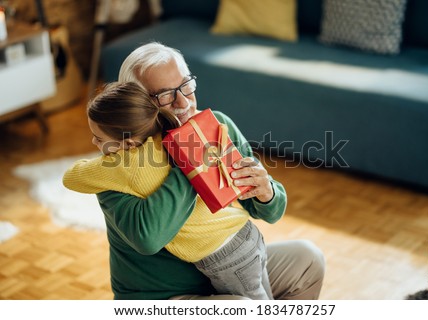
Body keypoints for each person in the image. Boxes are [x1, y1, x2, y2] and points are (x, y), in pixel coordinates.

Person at [85, 41, 324, 300]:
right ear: (138, 103)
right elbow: (147, 239)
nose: (183, 102)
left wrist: (267, 193)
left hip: (226, 272)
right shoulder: (117, 162)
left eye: (186, 86)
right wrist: (190, 160)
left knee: (307, 260)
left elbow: (269, 210)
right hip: (163, 296)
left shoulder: (218, 126)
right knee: (242, 307)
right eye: (165, 95)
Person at [63, 81, 274, 299]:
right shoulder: (170, 137)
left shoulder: (123, 165)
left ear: (128, 143)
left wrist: (107, 158)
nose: (94, 142)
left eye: (99, 139)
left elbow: (71, 177)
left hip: (226, 257)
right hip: (245, 232)